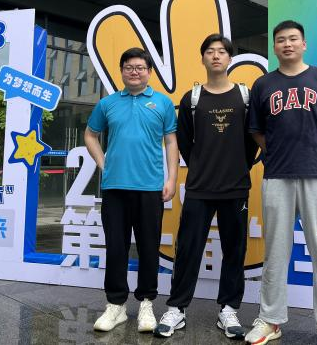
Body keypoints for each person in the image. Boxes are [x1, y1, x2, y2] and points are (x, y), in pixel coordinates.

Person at [244, 20, 317, 345]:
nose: (287, 44)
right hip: (277, 175)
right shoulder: (263, 84)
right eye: (281, 40)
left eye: (293, 39)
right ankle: (270, 320)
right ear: (274, 47)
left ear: (304, 44)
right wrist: (275, 151)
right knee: (276, 253)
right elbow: (256, 130)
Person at [154, 34, 257, 340]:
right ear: (202, 58)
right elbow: (185, 142)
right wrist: (201, 166)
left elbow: (252, 140)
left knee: (235, 249)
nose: (215, 56)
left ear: (229, 58)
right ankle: (177, 307)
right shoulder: (192, 99)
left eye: (222, 51)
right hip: (199, 186)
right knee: (188, 248)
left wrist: (237, 166)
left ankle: (229, 309)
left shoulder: (245, 96)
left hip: (236, 187)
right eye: (210, 51)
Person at [85, 47, 179, 334]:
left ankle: (147, 303)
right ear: (122, 71)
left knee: (149, 247)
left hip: (150, 187)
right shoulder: (108, 103)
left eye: (140, 67)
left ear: (149, 72)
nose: (134, 72)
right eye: (129, 67)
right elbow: (90, 135)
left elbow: (171, 142)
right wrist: (104, 164)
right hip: (115, 187)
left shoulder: (162, 103)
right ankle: (116, 305)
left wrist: (172, 179)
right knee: (116, 247)